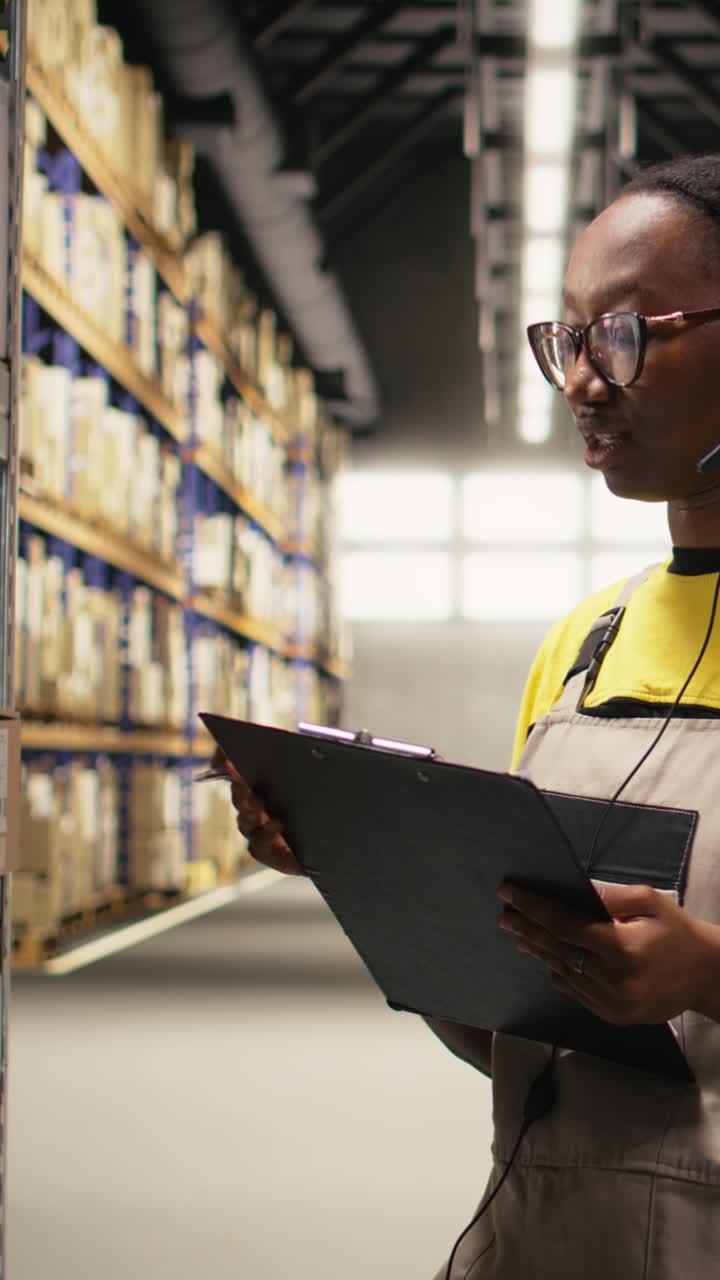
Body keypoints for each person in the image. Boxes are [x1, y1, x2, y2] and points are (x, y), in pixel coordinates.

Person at [216, 155, 720, 1278]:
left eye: (628, 333)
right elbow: (524, 1047)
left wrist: (709, 977)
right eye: (570, 340)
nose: (586, 380)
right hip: (544, 1240)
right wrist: (376, 869)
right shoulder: (586, 648)